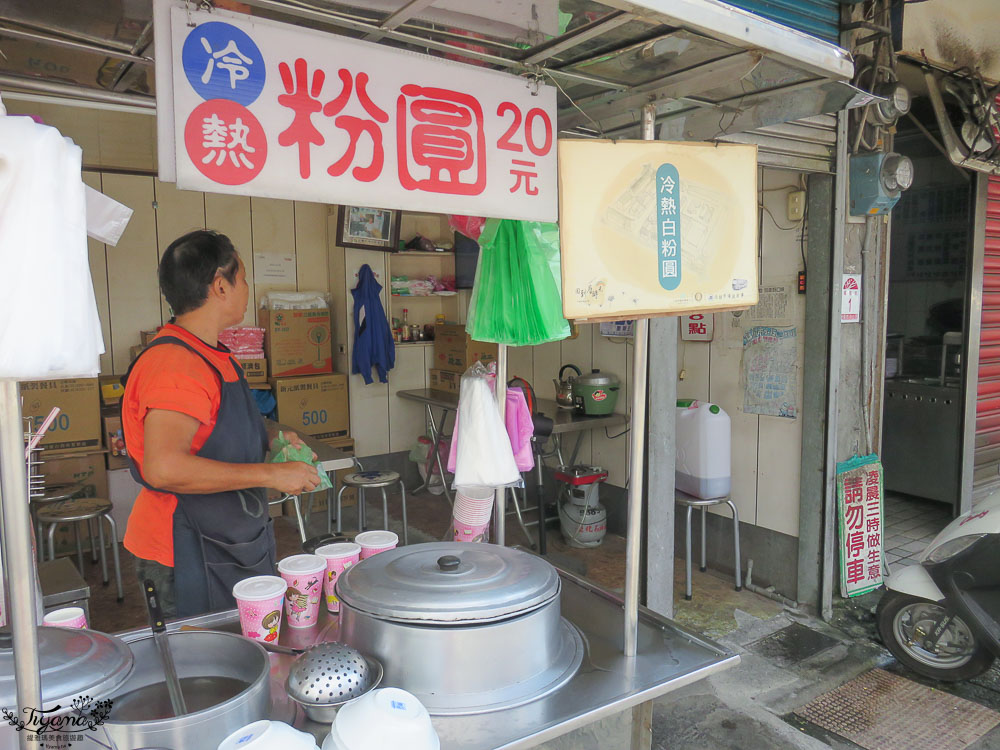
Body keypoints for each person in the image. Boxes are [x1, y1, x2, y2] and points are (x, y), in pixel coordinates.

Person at [122, 230, 320, 618]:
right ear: (220, 286)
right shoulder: (176, 365)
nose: (247, 287)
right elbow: (164, 467)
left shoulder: (211, 354)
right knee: (204, 669)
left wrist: (269, 433)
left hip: (226, 540)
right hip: (185, 550)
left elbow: (213, 429)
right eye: (243, 278)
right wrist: (272, 475)